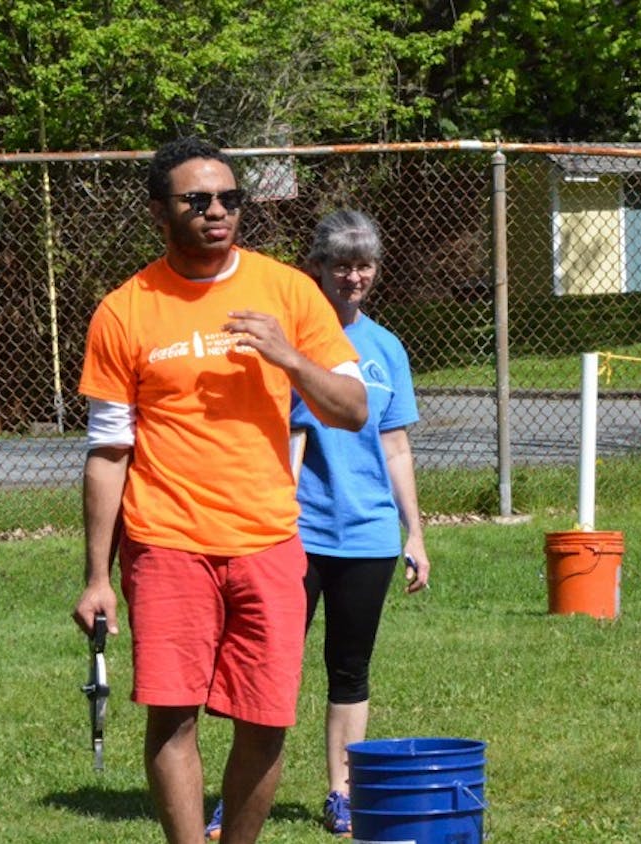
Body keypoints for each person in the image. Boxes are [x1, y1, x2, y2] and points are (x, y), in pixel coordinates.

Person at [71, 136, 368, 844]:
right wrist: (95, 577)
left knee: (267, 719)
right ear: (159, 212)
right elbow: (109, 453)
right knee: (172, 714)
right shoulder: (125, 309)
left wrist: (288, 356)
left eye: (229, 199)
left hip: (267, 540)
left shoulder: (288, 291)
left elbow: (353, 410)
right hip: (166, 542)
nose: (216, 212)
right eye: (196, 200)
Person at [208, 210, 432, 841]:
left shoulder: (386, 348)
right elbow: (293, 440)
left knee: (350, 668)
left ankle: (341, 794)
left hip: (367, 537)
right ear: (318, 270)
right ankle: (239, 794)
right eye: (340, 265)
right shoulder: (295, 344)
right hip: (298, 536)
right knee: (268, 668)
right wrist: (271, 521)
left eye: (363, 265)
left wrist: (413, 533)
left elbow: (395, 447)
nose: (352, 277)